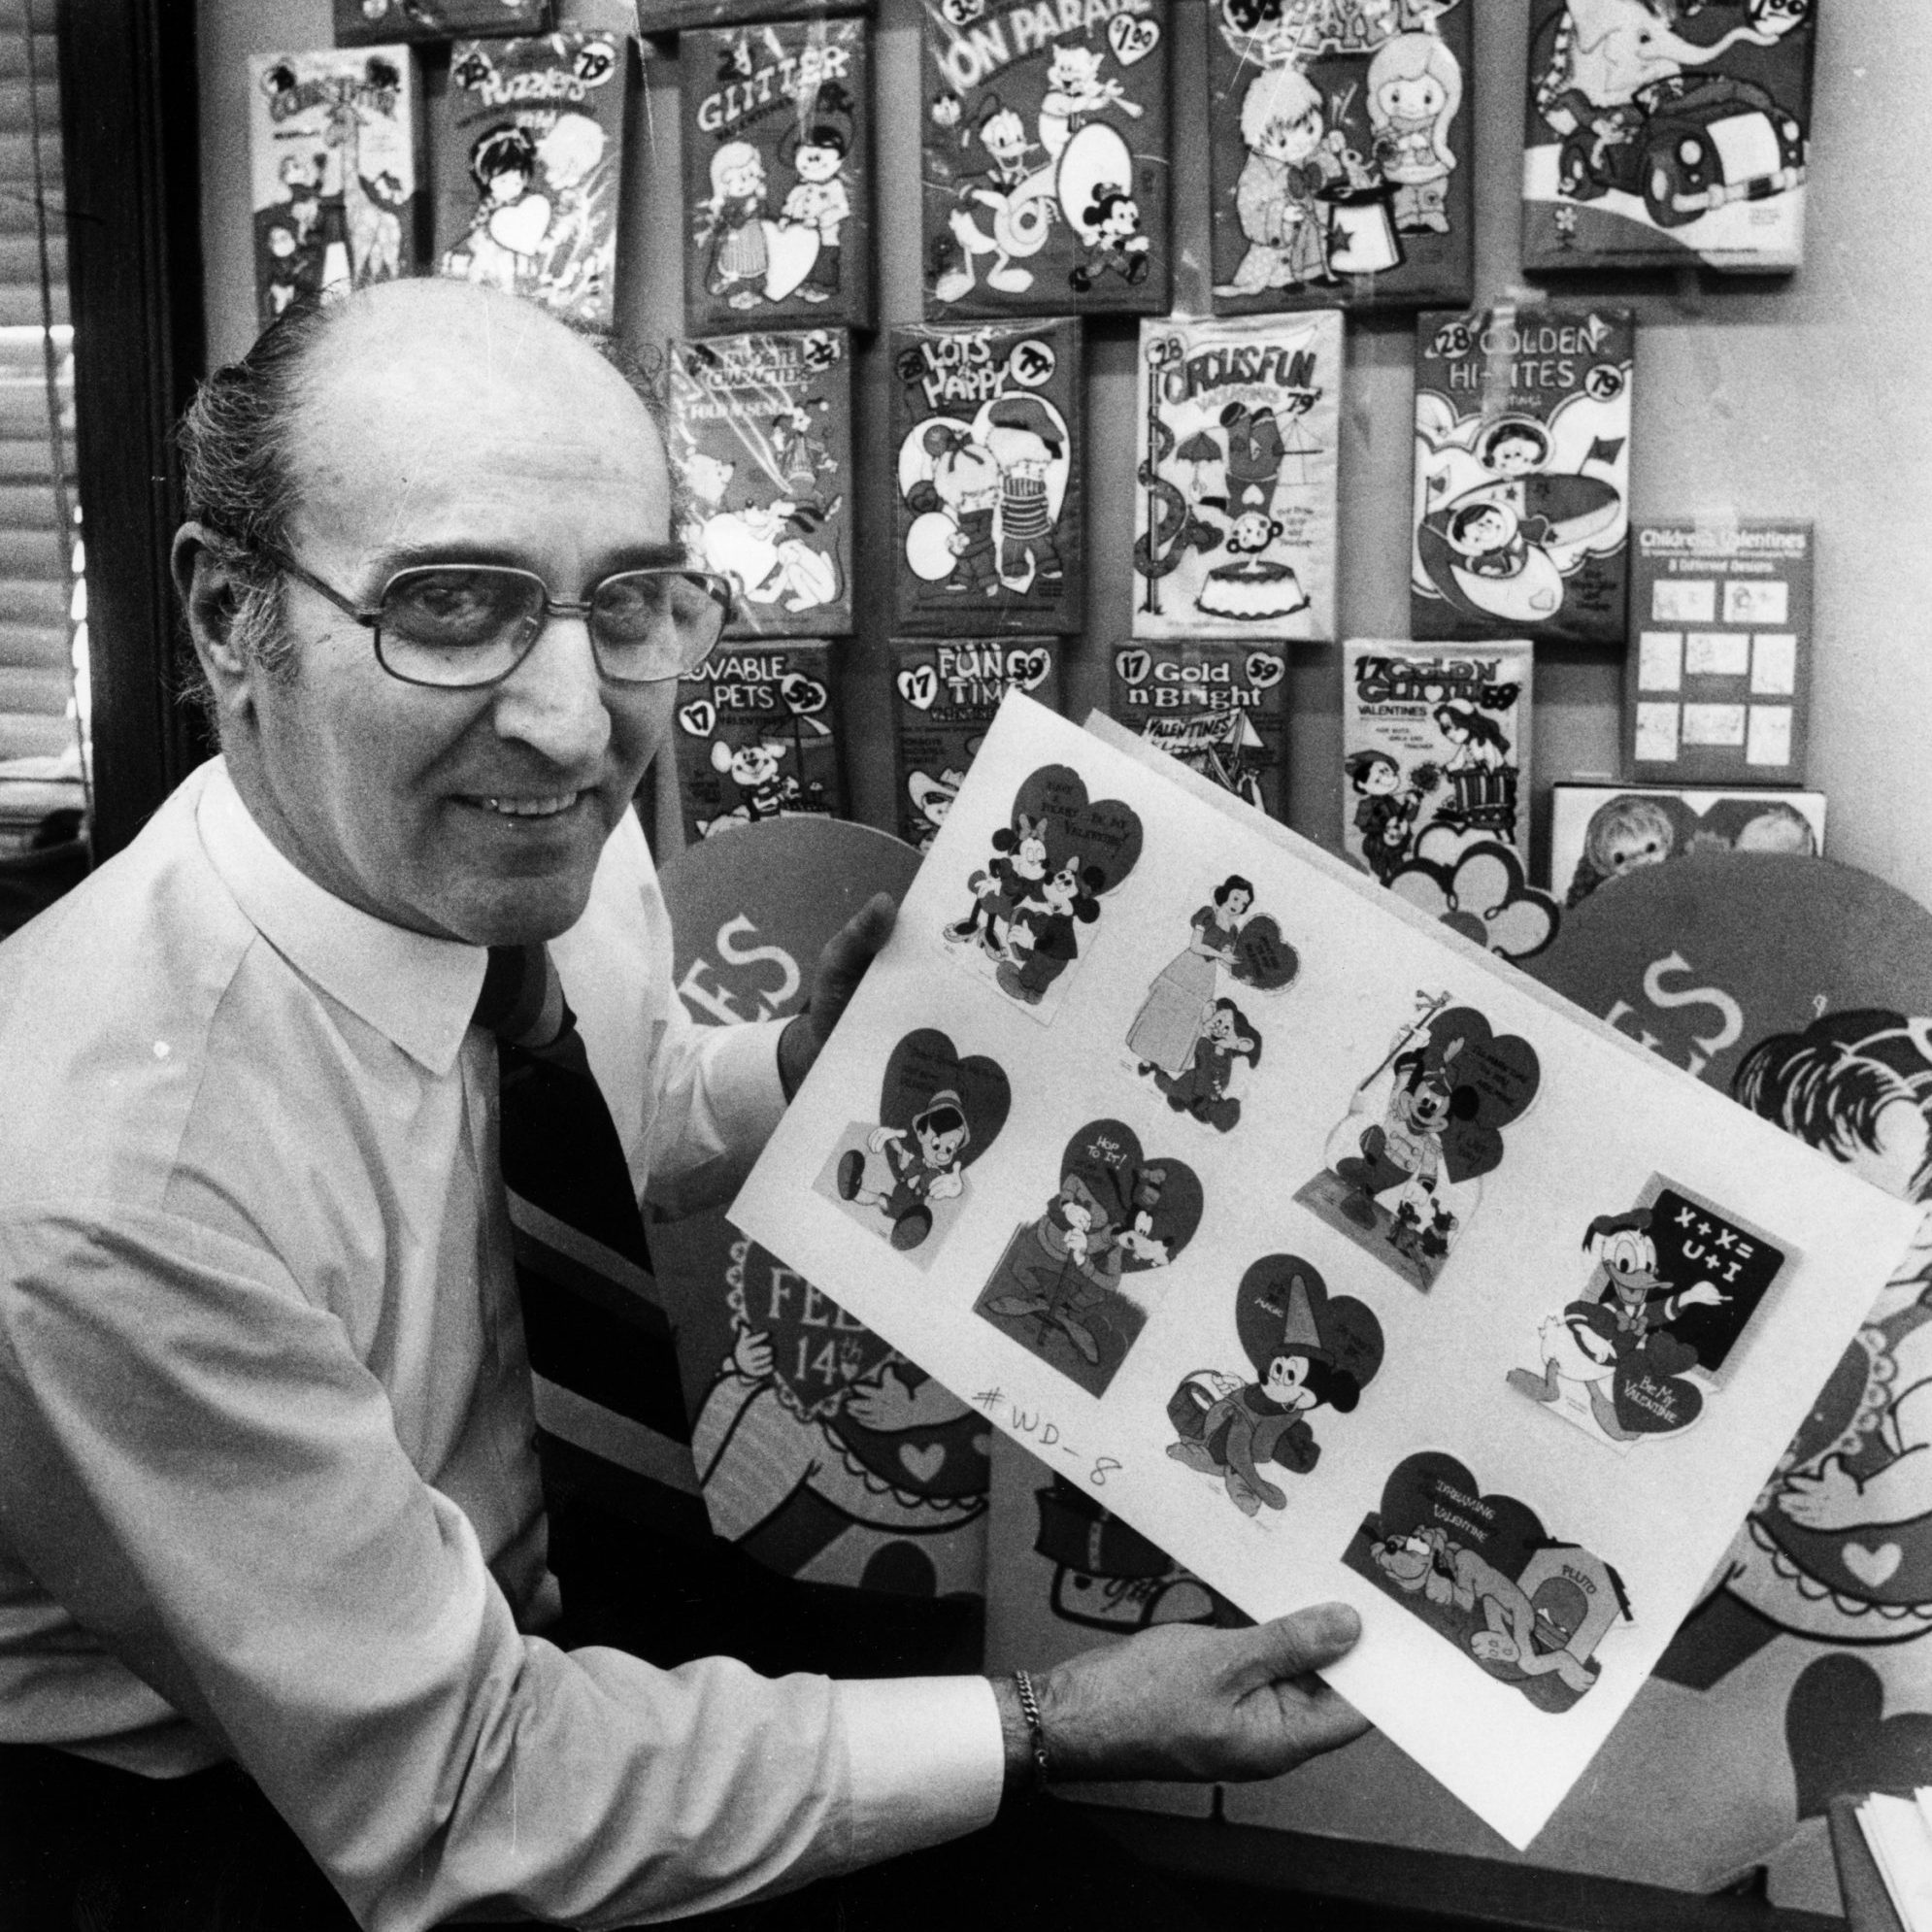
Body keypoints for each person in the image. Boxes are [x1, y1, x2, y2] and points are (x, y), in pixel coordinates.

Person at [0, 280, 1369, 1929]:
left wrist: (796, 1061)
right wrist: (1054, 1724)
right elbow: (460, 1795)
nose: (579, 726)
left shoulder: (506, 821)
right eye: (449, 604)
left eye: (630, 599)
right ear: (232, 617)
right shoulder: (97, 1176)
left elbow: (620, 1101)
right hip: (233, 1806)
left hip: (588, 1636)